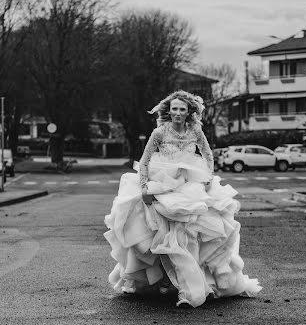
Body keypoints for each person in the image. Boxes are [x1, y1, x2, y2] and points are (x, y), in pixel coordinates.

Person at [104, 90, 262, 307]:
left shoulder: (196, 131)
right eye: (174, 109)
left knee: (194, 231)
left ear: (189, 112)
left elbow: (207, 155)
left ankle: (195, 279)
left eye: (182, 109)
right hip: (162, 184)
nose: (178, 113)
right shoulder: (159, 133)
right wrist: (143, 189)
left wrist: (207, 180)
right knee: (158, 233)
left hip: (191, 186)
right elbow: (145, 162)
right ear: (169, 111)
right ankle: (164, 281)